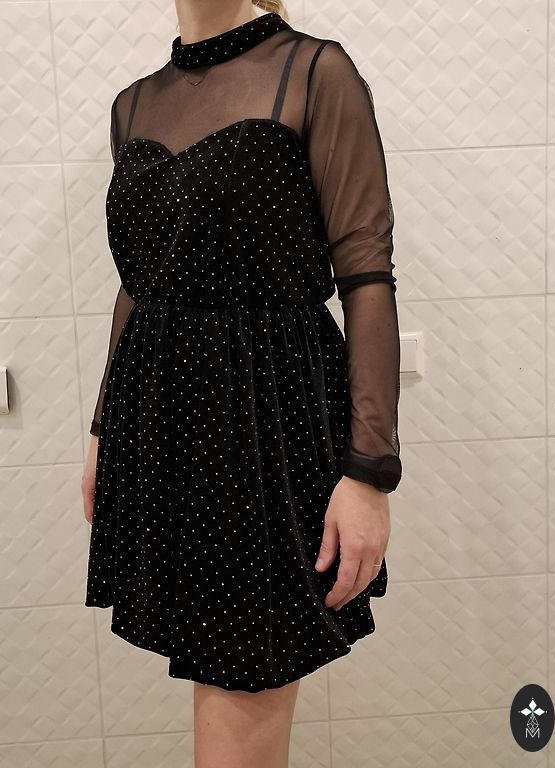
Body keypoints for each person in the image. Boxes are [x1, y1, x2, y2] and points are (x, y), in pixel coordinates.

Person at [81, 1, 402, 765]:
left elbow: (365, 273)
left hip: (263, 426)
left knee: (241, 691)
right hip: (163, 424)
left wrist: (368, 471)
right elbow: (138, 284)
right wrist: (101, 429)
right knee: (216, 681)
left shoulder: (314, 71)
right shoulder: (132, 104)